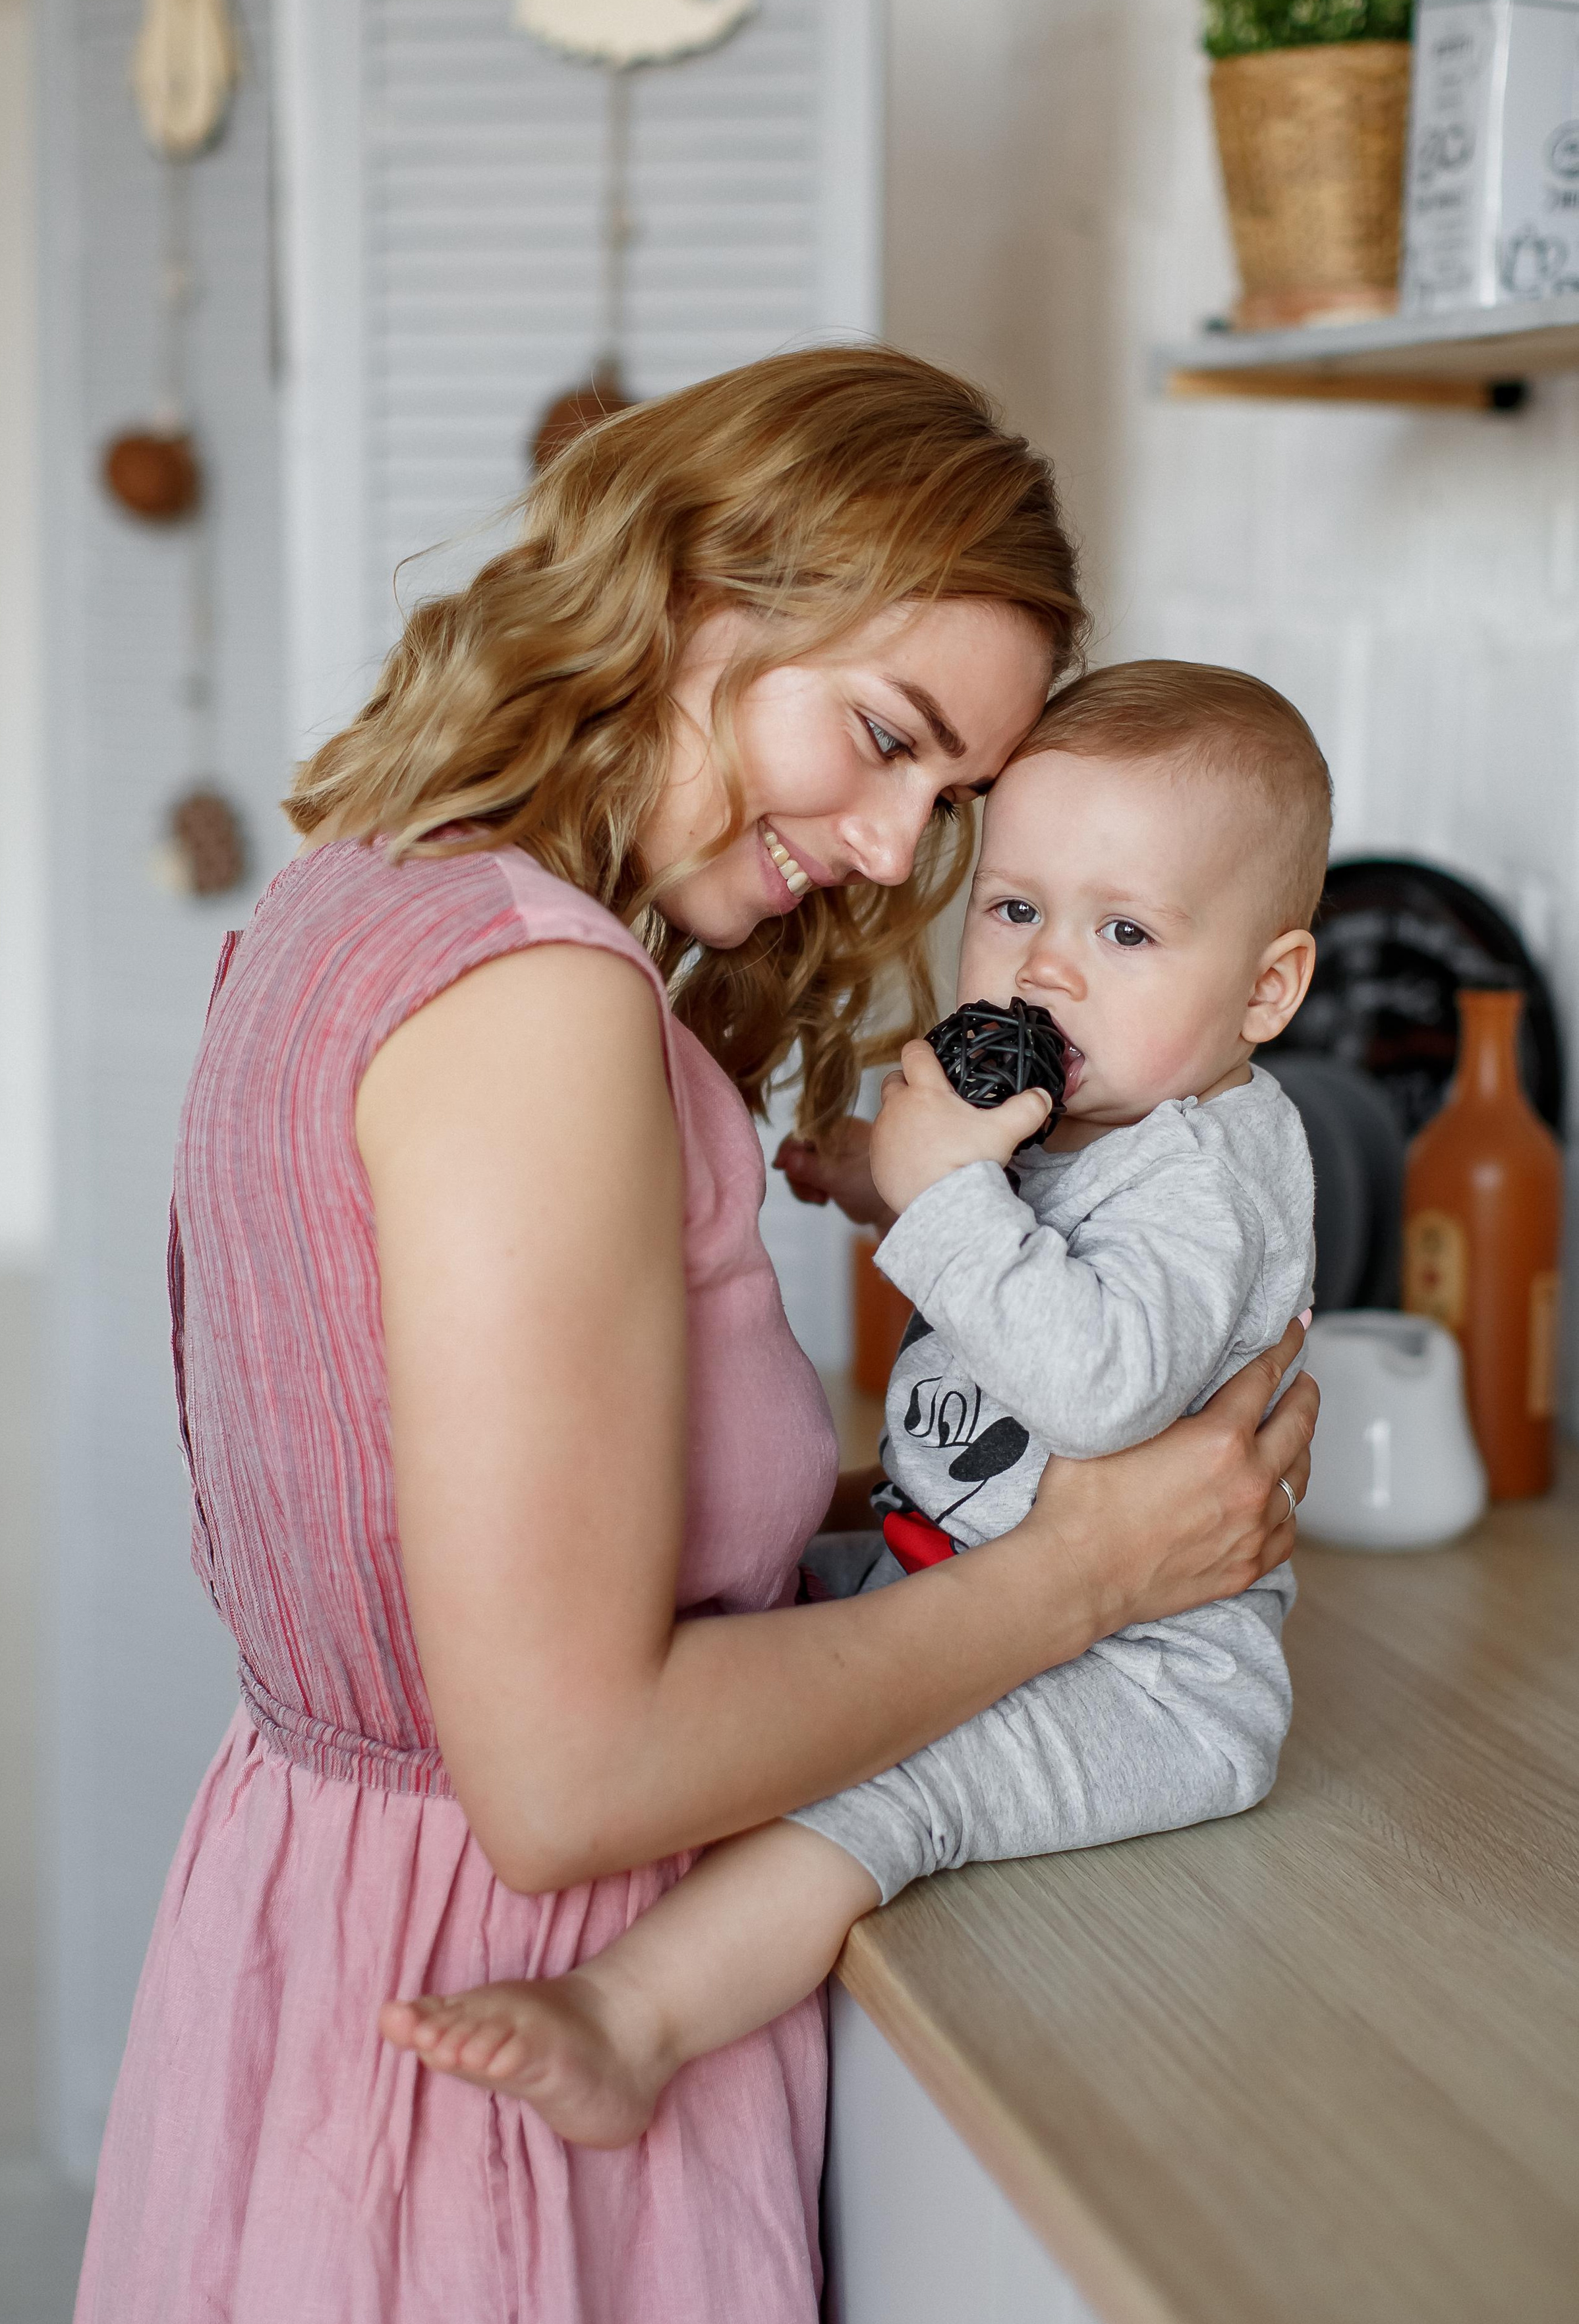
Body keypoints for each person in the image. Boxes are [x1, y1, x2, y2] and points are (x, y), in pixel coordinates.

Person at [71, 351, 1315, 2324]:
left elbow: (484, 1519)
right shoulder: (540, 1009)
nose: (905, 856)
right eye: (888, 738)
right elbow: (570, 1776)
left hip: (326, 1938)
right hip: (517, 2017)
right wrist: (1091, 1574)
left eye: (952, 798)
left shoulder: (368, 892)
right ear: (703, 595)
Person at [382, 658, 1325, 2148]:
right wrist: (871, 1174)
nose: (1042, 971)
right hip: (960, 1572)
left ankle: (631, 2022)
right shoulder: (1090, 1111)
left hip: (1144, 1680)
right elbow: (999, 1239)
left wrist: (936, 1189)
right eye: (1012, 908)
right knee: (739, 1639)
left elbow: (1095, 1383)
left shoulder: (1205, 1173)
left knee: (882, 1803)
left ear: (1265, 988)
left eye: (1124, 931)